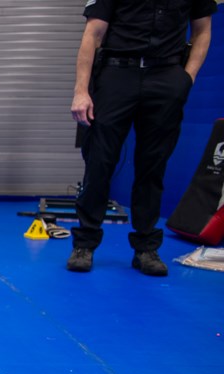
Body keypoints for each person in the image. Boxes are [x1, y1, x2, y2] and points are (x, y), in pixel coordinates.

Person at [68, 0, 217, 275]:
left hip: (167, 77)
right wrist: (81, 91)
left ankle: (146, 248)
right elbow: (93, 33)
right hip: (116, 74)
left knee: (153, 166)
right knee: (100, 162)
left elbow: (202, 30)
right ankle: (85, 244)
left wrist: (187, 78)